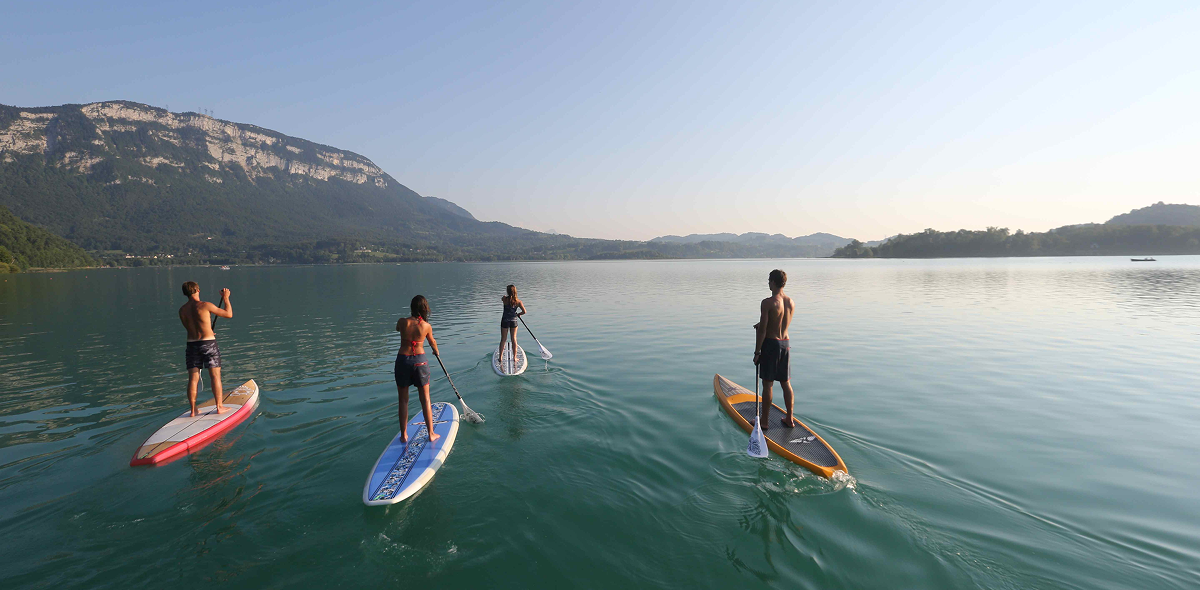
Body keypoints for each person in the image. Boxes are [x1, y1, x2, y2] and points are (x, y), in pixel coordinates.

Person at [178, 281, 232, 417]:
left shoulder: (182, 310)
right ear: (197, 290)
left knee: (193, 378)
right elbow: (228, 314)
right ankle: (219, 407)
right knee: (215, 375)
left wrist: (206, 331)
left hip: (191, 344)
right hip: (208, 344)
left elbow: (190, 328)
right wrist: (225, 298)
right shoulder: (205, 305)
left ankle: (193, 410)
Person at [395, 295, 441, 444]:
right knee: (425, 399)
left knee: (403, 400)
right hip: (420, 362)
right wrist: (436, 351)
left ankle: (404, 435)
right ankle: (431, 433)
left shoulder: (402, 322)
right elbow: (432, 342)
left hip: (403, 361)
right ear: (424, 308)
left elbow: (397, 329)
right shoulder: (426, 326)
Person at [753, 269, 795, 430]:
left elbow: (763, 330)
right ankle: (789, 419)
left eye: (769, 280)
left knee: (768, 384)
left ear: (773, 282)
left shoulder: (767, 302)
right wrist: (762, 324)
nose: (768, 283)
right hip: (785, 343)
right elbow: (780, 322)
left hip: (771, 344)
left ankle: (764, 421)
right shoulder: (790, 302)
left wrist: (757, 352)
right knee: (786, 383)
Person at [498, 284, 526, 367]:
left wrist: (505, 297)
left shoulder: (504, 299)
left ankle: (500, 358)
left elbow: (502, 299)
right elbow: (524, 311)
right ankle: (514, 357)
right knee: (514, 339)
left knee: (503, 339)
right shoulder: (518, 302)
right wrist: (519, 314)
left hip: (505, 321)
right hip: (514, 321)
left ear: (508, 292)